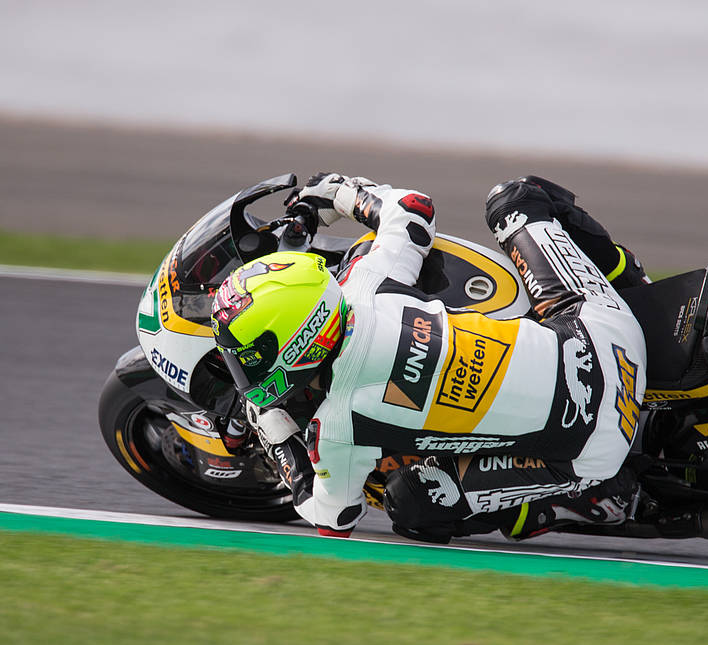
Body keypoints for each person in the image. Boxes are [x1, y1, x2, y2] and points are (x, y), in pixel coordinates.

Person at [211, 172, 649, 541]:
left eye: (248, 357)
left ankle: (578, 500)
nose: (244, 370)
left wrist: (280, 440)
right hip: (610, 335)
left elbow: (333, 518)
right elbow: (412, 207)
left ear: (299, 341)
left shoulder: (338, 426)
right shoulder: (368, 281)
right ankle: (634, 288)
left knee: (408, 502)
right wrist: (333, 192)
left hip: (597, 447)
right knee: (515, 199)